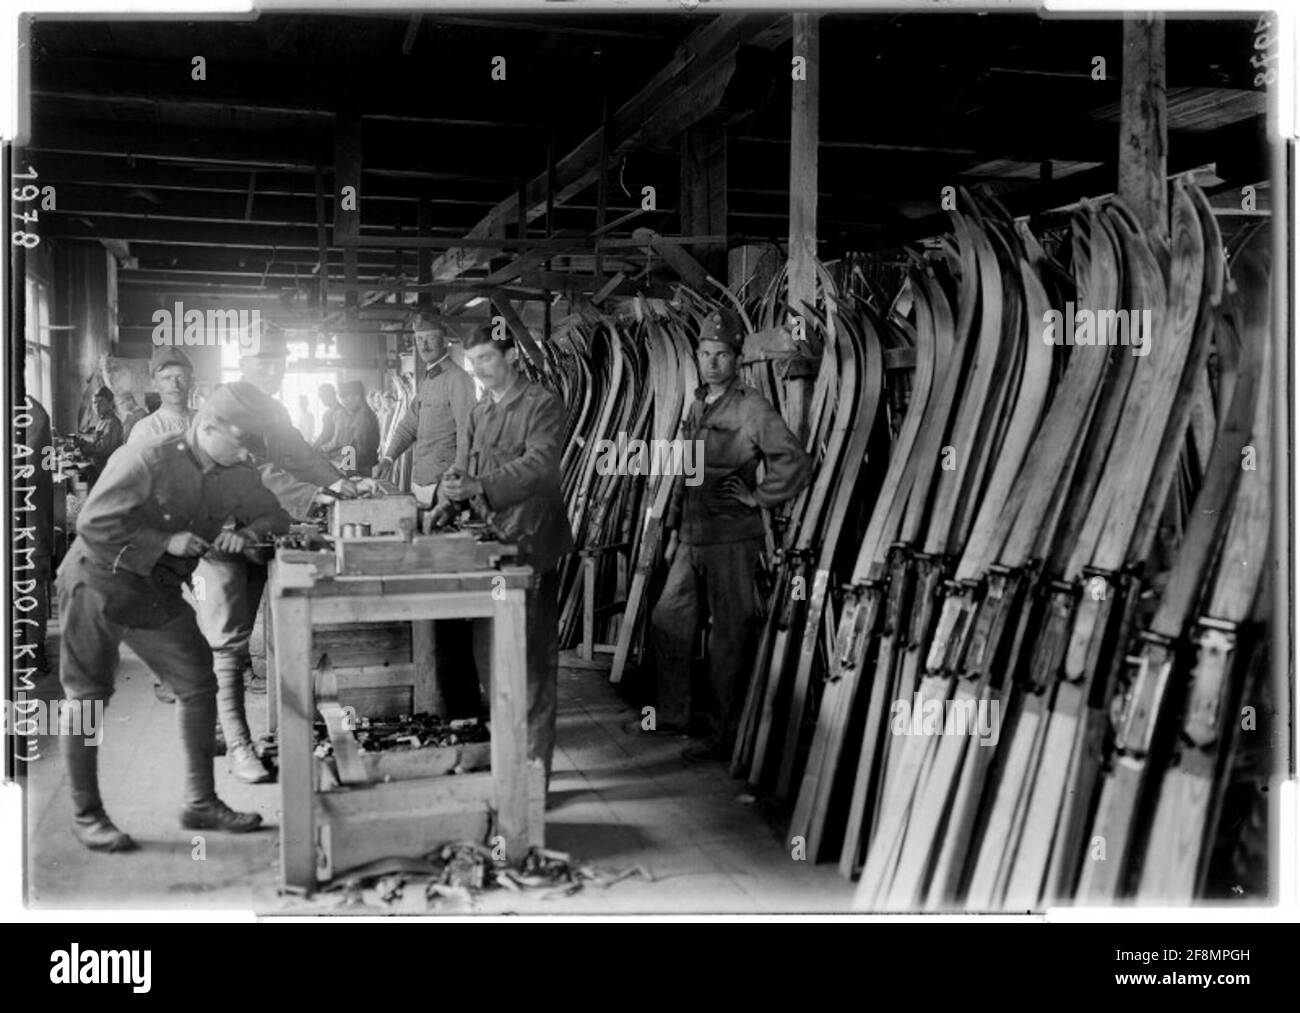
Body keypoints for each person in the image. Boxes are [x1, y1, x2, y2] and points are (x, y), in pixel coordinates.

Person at [56, 382, 293, 852]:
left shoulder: (237, 472)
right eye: (240, 441)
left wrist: (246, 533)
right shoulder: (149, 456)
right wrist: (165, 542)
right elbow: (91, 523)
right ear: (207, 426)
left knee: (197, 682)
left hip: (154, 591)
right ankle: (87, 816)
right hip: (97, 579)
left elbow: (276, 516)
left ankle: (200, 801)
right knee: (86, 698)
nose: (246, 453)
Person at [192, 326, 361, 783]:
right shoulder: (226, 404)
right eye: (263, 360)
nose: (274, 368)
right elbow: (258, 467)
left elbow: (300, 456)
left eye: (280, 360)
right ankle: (239, 748)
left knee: (239, 636)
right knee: (227, 641)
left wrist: (338, 482)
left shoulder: (273, 408)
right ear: (243, 362)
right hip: (220, 530)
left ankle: (216, 730)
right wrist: (314, 496)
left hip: (257, 528)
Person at [649, 307, 811, 762]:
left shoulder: (752, 407)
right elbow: (687, 471)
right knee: (668, 621)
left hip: (733, 542)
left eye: (720, 354)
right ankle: (674, 716)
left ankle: (724, 735)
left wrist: (758, 498)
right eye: (704, 354)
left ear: (736, 358)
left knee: (729, 639)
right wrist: (676, 529)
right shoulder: (698, 404)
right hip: (693, 538)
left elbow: (794, 462)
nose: (711, 362)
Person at [441, 323, 573, 785]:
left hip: (533, 543)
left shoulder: (541, 405)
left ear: (511, 355)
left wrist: (483, 486)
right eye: (473, 360)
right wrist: (450, 493)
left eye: (488, 359)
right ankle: (507, 761)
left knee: (532, 662)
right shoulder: (480, 410)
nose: (480, 369)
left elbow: (541, 465)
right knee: (492, 657)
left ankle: (534, 776)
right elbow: (468, 464)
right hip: (493, 544)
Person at [374, 312, 476, 507]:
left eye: (430, 338)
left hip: (444, 485)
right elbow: (408, 426)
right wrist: (388, 458)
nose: (424, 345)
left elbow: (468, 433)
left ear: (445, 341)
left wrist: (457, 478)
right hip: (420, 481)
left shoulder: (458, 379)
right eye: (420, 339)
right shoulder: (427, 380)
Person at [128, 346, 196, 446]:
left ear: (191, 381)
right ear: (154, 384)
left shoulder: (205, 421)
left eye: (180, 377)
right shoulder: (145, 430)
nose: (174, 384)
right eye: (167, 378)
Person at [320, 380, 381, 476]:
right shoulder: (356, 415)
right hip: (356, 467)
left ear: (357, 397)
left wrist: (345, 468)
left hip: (362, 470)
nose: (343, 403)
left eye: (345, 398)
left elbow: (360, 452)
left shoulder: (364, 418)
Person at [76, 386, 124, 488]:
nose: (97, 406)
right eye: (94, 402)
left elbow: (102, 450)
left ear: (110, 403)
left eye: (101, 402)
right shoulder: (103, 421)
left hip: (105, 472)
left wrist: (82, 445)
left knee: (76, 478)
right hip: (100, 468)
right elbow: (97, 441)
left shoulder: (111, 423)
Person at [313, 383, 341, 451]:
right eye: (321, 397)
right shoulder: (326, 414)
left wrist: (320, 448)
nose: (322, 399)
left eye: (324, 396)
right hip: (325, 449)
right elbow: (324, 434)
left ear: (332, 394)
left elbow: (338, 440)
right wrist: (314, 446)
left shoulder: (341, 412)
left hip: (336, 451)